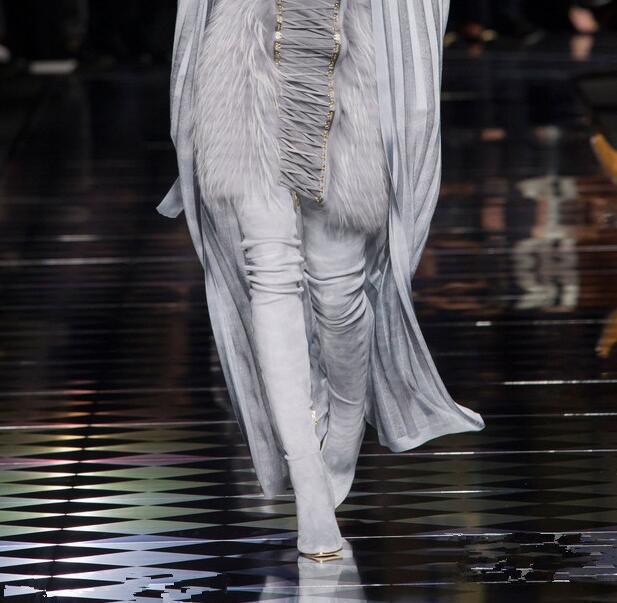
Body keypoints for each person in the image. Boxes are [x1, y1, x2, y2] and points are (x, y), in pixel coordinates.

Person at [157, 0, 485, 561]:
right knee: (270, 271)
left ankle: (347, 419)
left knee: (339, 289)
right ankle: (306, 477)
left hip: (354, 55)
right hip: (246, 49)